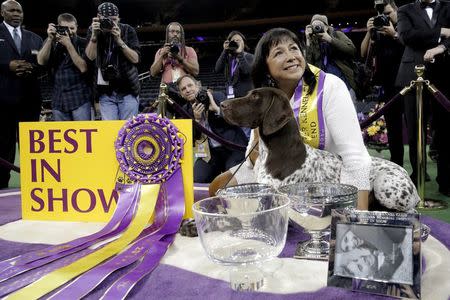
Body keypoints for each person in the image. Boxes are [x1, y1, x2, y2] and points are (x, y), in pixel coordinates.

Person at [229, 28, 372, 209]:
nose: (291, 56)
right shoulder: (267, 99)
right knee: (219, 191)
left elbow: (355, 157)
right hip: (289, 182)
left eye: (294, 48)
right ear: (265, 67)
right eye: (279, 52)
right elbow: (254, 158)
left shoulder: (330, 86)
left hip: (335, 183)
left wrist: (357, 219)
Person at [395, 0, 450, 195]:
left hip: (444, 77)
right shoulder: (404, 10)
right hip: (412, 75)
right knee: (415, 132)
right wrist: (441, 32)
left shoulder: (448, 6)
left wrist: (441, 48)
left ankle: (446, 181)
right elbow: (406, 36)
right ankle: (418, 179)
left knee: (445, 132)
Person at [0, 0, 43, 188]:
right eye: (12, 10)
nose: (16, 14)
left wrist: (31, 68)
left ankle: (33, 187)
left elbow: (44, 63)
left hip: (30, 101)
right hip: (3, 103)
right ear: (2, 12)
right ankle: (2, 188)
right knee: (4, 148)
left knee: (31, 148)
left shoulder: (34, 38)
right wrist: (7, 66)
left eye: (19, 11)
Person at [177, 74, 247, 183]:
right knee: (197, 179)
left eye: (190, 85)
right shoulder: (185, 110)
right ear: (181, 94)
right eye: (183, 89)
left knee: (231, 181)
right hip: (210, 153)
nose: (187, 90)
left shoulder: (216, 96)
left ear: (198, 86)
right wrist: (197, 121)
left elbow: (237, 119)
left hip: (233, 148)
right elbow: (191, 141)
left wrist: (217, 109)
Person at [361, 0, 405, 167]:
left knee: (414, 127)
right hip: (388, 84)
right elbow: (363, 53)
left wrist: (394, 33)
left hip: (408, 82)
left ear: (396, 10)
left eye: (388, 13)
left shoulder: (405, 25)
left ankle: (419, 168)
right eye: (382, 15)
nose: (385, 17)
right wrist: (368, 32)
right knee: (393, 127)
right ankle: (397, 164)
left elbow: (411, 47)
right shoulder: (378, 29)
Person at [85, 2, 140, 120]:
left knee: (129, 130)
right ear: (98, 17)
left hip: (128, 90)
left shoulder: (127, 29)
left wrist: (119, 41)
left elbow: (135, 59)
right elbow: (90, 57)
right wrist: (94, 37)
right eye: (107, 20)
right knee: (111, 131)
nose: (111, 23)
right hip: (106, 92)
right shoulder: (93, 30)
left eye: (114, 19)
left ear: (119, 17)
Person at [37, 13, 92, 121]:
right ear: (58, 27)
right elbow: (41, 61)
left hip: (80, 98)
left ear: (77, 27)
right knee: (62, 136)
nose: (69, 32)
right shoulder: (52, 42)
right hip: (58, 99)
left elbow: (83, 68)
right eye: (65, 28)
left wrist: (68, 45)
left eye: (72, 28)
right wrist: (49, 39)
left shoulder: (83, 43)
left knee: (83, 135)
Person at [305, 14, 358, 97]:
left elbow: (352, 50)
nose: (317, 28)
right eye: (314, 26)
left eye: (319, 25)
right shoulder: (313, 42)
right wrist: (308, 40)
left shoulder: (337, 34)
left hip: (344, 83)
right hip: (323, 86)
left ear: (326, 27)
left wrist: (330, 40)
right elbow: (308, 67)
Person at [215, 31, 254, 138]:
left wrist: (240, 53)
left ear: (243, 43)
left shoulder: (249, 57)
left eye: (238, 40)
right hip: (232, 101)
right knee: (236, 132)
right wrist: (224, 51)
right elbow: (217, 69)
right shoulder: (228, 59)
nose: (235, 42)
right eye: (233, 41)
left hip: (245, 101)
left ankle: (248, 153)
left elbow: (246, 71)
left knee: (246, 132)